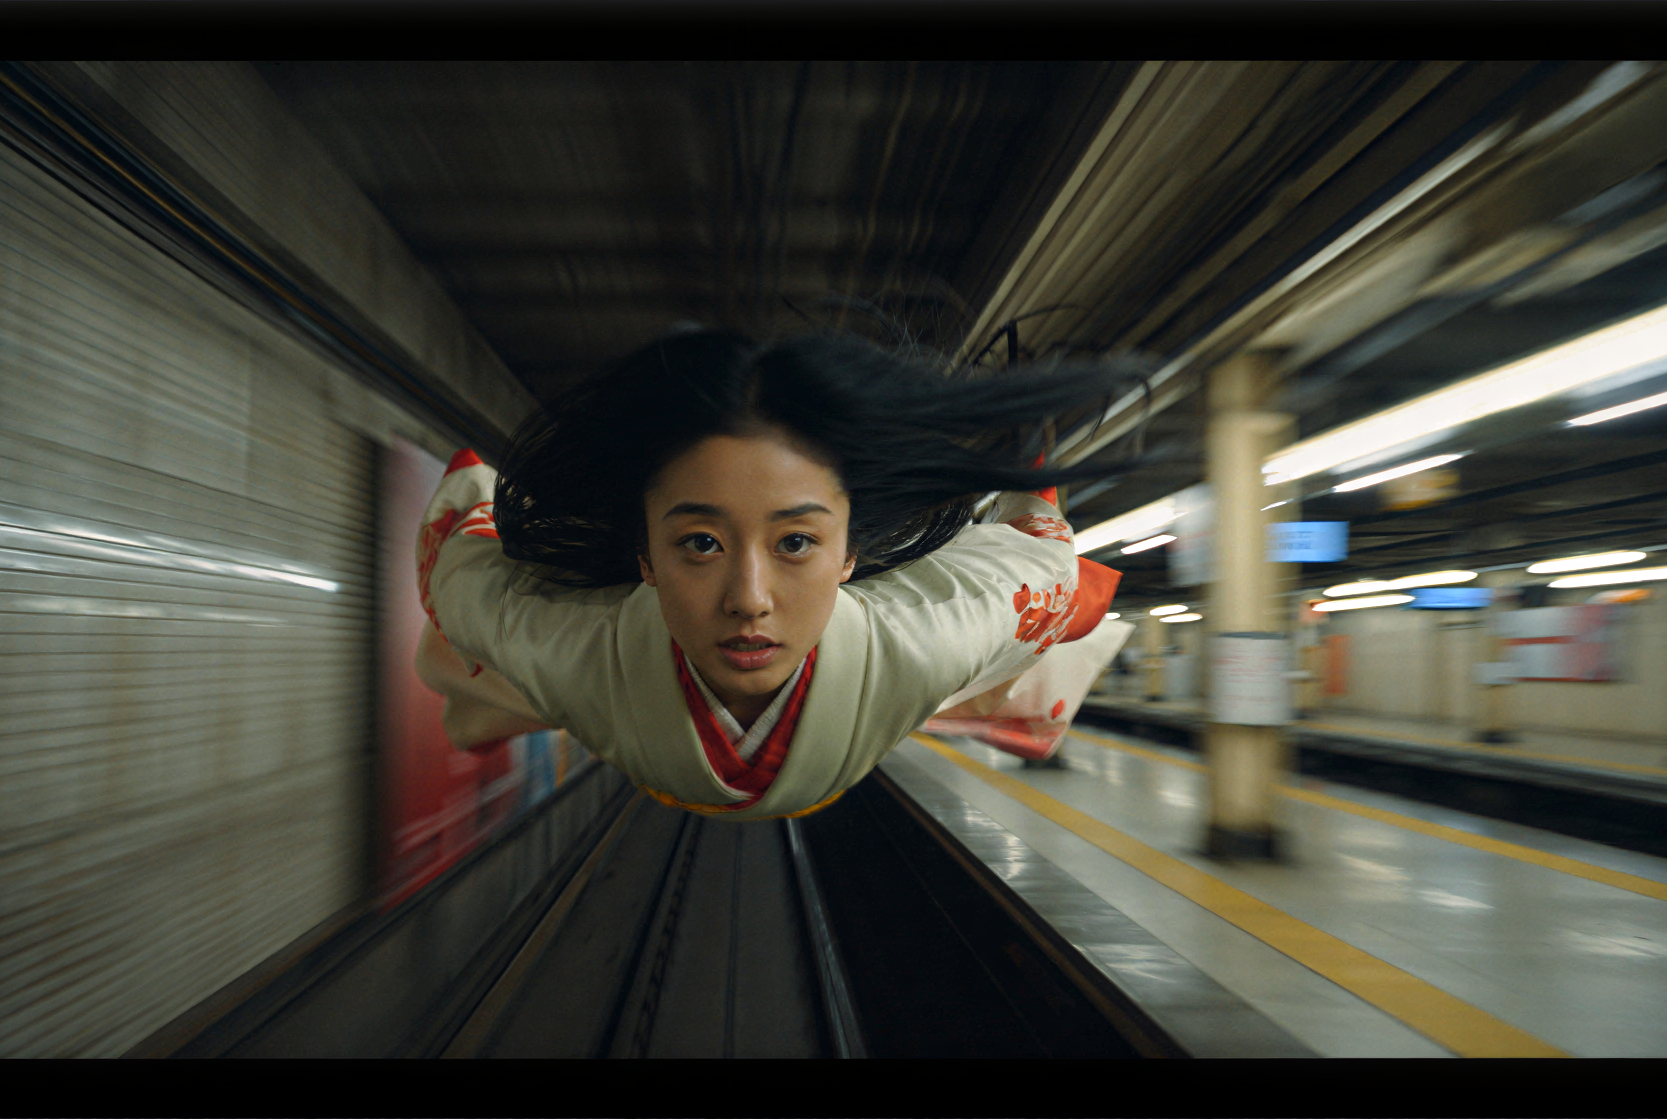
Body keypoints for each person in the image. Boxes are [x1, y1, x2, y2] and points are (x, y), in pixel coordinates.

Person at [415, 329, 1139, 820]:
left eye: (796, 541)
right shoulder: (564, 639)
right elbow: (463, 575)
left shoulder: (936, 629)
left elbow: (1045, 564)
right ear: (643, 557)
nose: (748, 601)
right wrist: (474, 514)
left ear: (850, 551)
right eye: (700, 543)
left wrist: (1031, 494)